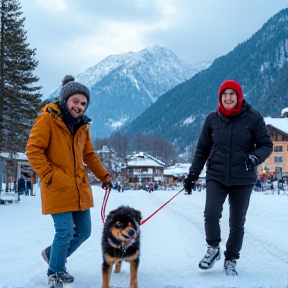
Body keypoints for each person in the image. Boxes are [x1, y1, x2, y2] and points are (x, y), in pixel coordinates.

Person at [26, 75, 112, 286]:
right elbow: (33, 150)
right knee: (64, 231)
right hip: (56, 186)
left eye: (83, 103)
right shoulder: (47, 119)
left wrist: (104, 176)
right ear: (65, 99)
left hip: (78, 187)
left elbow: (89, 155)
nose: (79, 106)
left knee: (84, 232)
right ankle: (55, 272)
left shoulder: (83, 125)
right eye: (75, 101)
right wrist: (49, 175)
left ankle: (52, 254)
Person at [183, 79, 272, 276]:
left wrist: (255, 158)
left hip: (243, 177)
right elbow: (202, 150)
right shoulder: (212, 119)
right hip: (217, 175)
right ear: (220, 97)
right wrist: (192, 175)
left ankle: (231, 258)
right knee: (211, 213)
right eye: (225, 94)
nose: (229, 97)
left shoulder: (253, 118)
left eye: (232, 94)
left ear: (239, 96)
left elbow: (266, 144)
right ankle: (213, 248)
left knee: (237, 222)